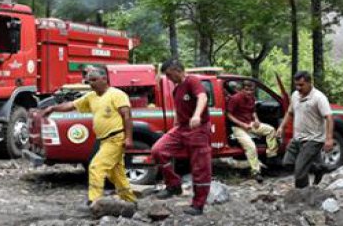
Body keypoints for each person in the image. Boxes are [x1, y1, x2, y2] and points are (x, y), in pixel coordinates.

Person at [42, 66, 136, 211]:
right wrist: (53, 108)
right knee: (117, 174)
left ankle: (94, 201)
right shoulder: (91, 97)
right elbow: (71, 105)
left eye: (94, 80)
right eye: (89, 81)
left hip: (116, 138)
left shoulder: (117, 95)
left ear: (104, 79)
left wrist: (128, 138)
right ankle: (130, 201)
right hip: (104, 140)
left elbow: (127, 116)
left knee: (96, 166)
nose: (91, 83)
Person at [150, 59, 212, 216]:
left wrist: (197, 115)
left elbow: (202, 97)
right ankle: (173, 185)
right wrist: (174, 125)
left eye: (170, 75)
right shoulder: (176, 89)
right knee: (158, 150)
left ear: (177, 70)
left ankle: (198, 205)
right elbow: (179, 110)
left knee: (200, 167)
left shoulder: (192, 81)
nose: (169, 79)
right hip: (181, 128)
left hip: (198, 129)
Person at [274, 71, 333, 188]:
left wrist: (329, 139)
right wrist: (281, 127)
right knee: (287, 163)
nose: (298, 88)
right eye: (296, 85)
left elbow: (329, 117)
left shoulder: (319, 97)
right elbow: (290, 113)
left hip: (313, 139)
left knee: (299, 171)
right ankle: (318, 169)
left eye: (301, 85)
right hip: (297, 138)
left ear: (309, 83)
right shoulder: (295, 95)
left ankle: (302, 194)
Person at [226, 80, 278, 183]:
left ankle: (271, 159)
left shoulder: (251, 98)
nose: (249, 92)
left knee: (271, 130)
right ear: (242, 89)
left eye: (251, 90)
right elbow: (228, 114)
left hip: (250, 124)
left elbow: (253, 111)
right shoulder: (235, 98)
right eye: (246, 89)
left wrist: (257, 120)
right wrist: (242, 124)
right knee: (251, 146)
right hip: (238, 127)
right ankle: (255, 171)